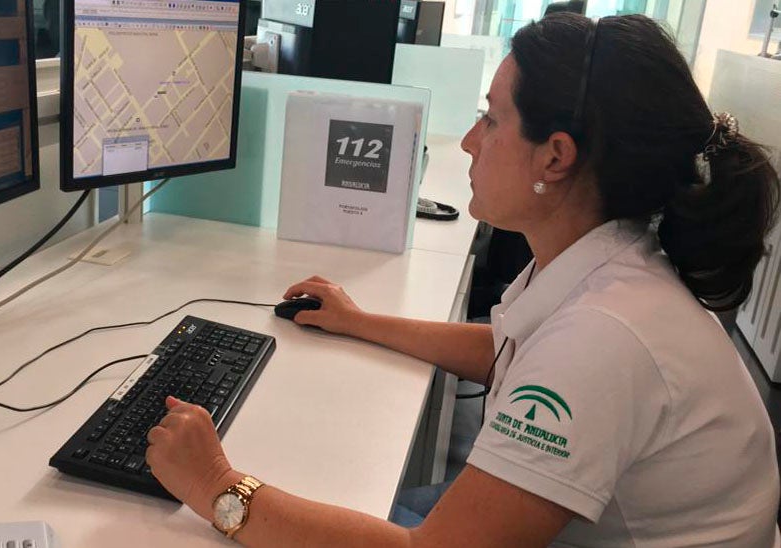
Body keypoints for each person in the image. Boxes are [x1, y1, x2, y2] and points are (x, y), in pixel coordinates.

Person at [144, 13, 781, 546]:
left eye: (492, 120)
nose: (471, 141)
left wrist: (215, 485)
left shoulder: (605, 336)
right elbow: (507, 348)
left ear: (556, 156)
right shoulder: (609, 260)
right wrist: (359, 322)